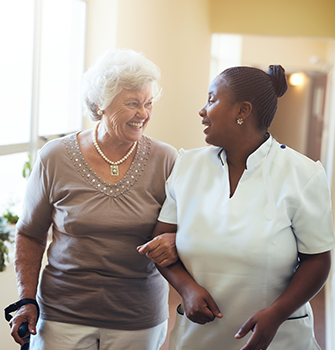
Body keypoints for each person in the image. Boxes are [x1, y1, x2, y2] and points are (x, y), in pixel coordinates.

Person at [138, 65, 335, 349]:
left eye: (211, 99)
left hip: (279, 338)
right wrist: (187, 289)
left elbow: (317, 260)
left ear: (242, 111)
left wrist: (276, 315)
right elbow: (159, 245)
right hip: (199, 337)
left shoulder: (303, 174)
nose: (202, 111)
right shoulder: (187, 166)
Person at [9, 48, 178, 350]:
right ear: (101, 104)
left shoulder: (166, 159)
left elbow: (184, 228)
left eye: (149, 103)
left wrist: (175, 240)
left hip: (138, 317)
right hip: (62, 315)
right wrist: (26, 299)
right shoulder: (56, 157)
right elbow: (30, 234)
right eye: (133, 103)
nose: (144, 114)